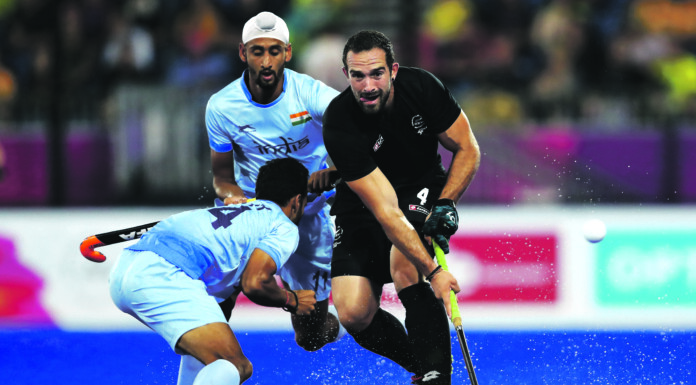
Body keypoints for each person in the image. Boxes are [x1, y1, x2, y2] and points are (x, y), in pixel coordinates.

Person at [322, 30, 481, 384]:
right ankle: (421, 364)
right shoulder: (339, 121)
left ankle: (436, 375)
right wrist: (437, 273)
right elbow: (385, 211)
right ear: (345, 73)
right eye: (357, 75)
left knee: (404, 264)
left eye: (376, 73)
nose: (367, 86)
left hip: (419, 187)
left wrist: (446, 203)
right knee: (353, 312)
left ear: (393, 70)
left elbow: (468, 148)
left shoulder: (422, 88)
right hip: (365, 201)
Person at [197, 10, 344, 377]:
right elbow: (221, 179)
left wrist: (336, 170)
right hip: (251, 217)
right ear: (242, 53)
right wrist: (236, 199)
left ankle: (338, 321)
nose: (266, 61)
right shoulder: (221, 106)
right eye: (258, 51)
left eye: (274, 51)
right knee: (212, 309)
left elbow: (357, 132)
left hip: (306, 216)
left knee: (311, 337)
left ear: (288, 53)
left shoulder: (310, 94)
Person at [109, 158, 315, 385]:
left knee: (212, 361)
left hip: (126, 268)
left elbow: (219, 307)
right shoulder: (283, 226)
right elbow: (255, 283)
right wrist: (291, 299)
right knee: (235, 365)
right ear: (297, 201)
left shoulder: (236, 211)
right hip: (163, 274)